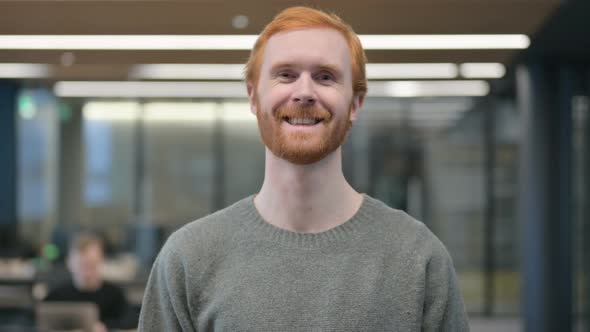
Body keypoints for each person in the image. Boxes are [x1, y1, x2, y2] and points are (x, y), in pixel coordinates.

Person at [139, 6, 469, 331]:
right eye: (286, 75)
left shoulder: (418, 259)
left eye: (325, 77)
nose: (305, 92)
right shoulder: (189, 259)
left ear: (355, 103)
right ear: (253, 97)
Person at [44, 232, 131, 331]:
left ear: (101, 261)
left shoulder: (115, 295)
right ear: (69, 263)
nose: (87, 272)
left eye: (92, 265)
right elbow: (34, 320)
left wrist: (106, 327)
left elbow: (131, 321)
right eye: (82, 265)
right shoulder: (56, 295)